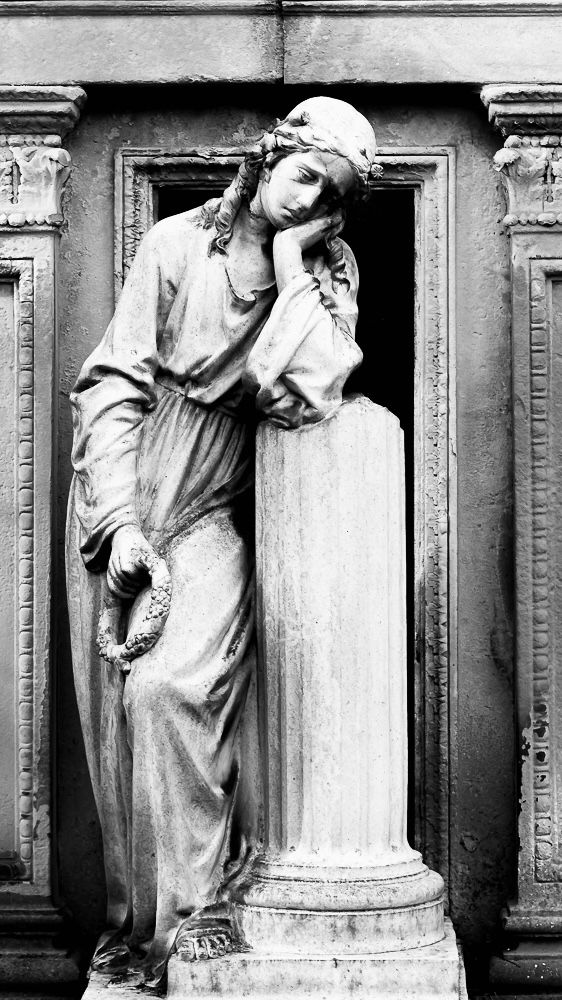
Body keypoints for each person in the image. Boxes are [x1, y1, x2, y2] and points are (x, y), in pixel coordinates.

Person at [66, 96, 380, 988]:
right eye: (304, 170)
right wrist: (120, 521)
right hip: (126, 490)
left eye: (331, 192)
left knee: (171, 694)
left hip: (213, 503)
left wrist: (291, 266)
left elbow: (309, 392)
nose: (307, 194)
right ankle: (136, 944)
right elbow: (113, 385)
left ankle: (194, 926)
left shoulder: (327, 273)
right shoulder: (176, 244)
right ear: (272, 154)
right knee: (120, 724)